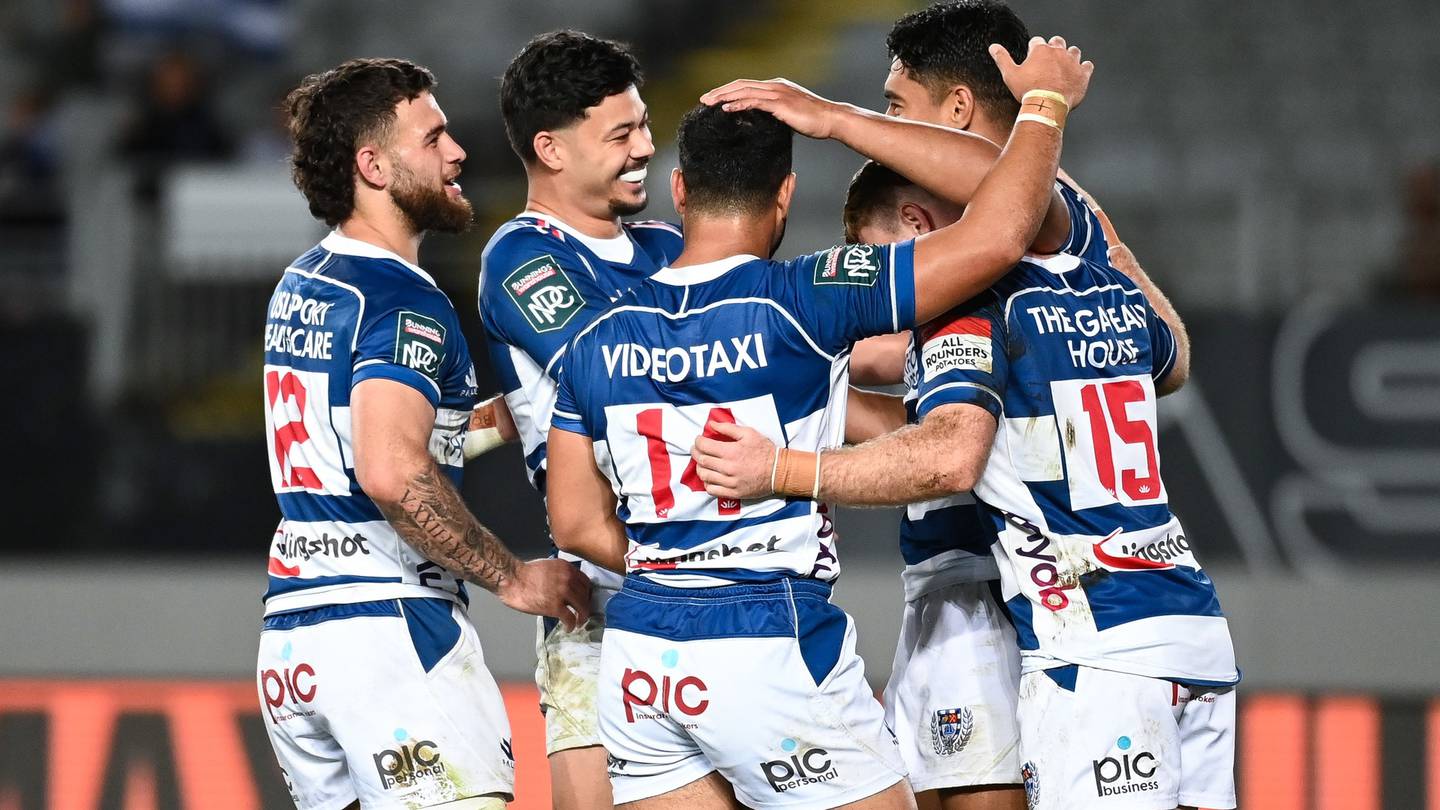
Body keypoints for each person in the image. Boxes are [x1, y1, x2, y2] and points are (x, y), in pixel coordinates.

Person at [546, 37, 1093, 810]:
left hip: (641, 653)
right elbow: (1002, 235)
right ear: (785, 194)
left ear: (679, 189)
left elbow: (573, 521)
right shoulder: (808, 296)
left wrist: (683, 563)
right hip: (766, 638)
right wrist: (1044, 103)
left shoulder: (594, 337)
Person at [691, 93, 1237, 810]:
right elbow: (1171, 359)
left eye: (898, 104)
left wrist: (780, 468)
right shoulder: (1107, 294)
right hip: (1187, 620)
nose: (874, 280)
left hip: (1073, 631)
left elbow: (950, 453)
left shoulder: (970, 308)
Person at [257, 57, 590, 810]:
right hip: (388, 635)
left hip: (294, 639)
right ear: (373, 166)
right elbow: (391, 469)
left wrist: (508, 418)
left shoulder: (304, 282)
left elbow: (367, 442)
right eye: (433, 138)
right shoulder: (402, 299)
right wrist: (513, 577)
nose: (457, 153)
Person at [478, 30, 684, 810]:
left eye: (645, 126)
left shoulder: (670, 246)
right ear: (551, 149)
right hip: (602, 597)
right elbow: (614, 374)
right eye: (621, 134)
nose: (646, 148)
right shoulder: (521, 257)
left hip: (717, 582)